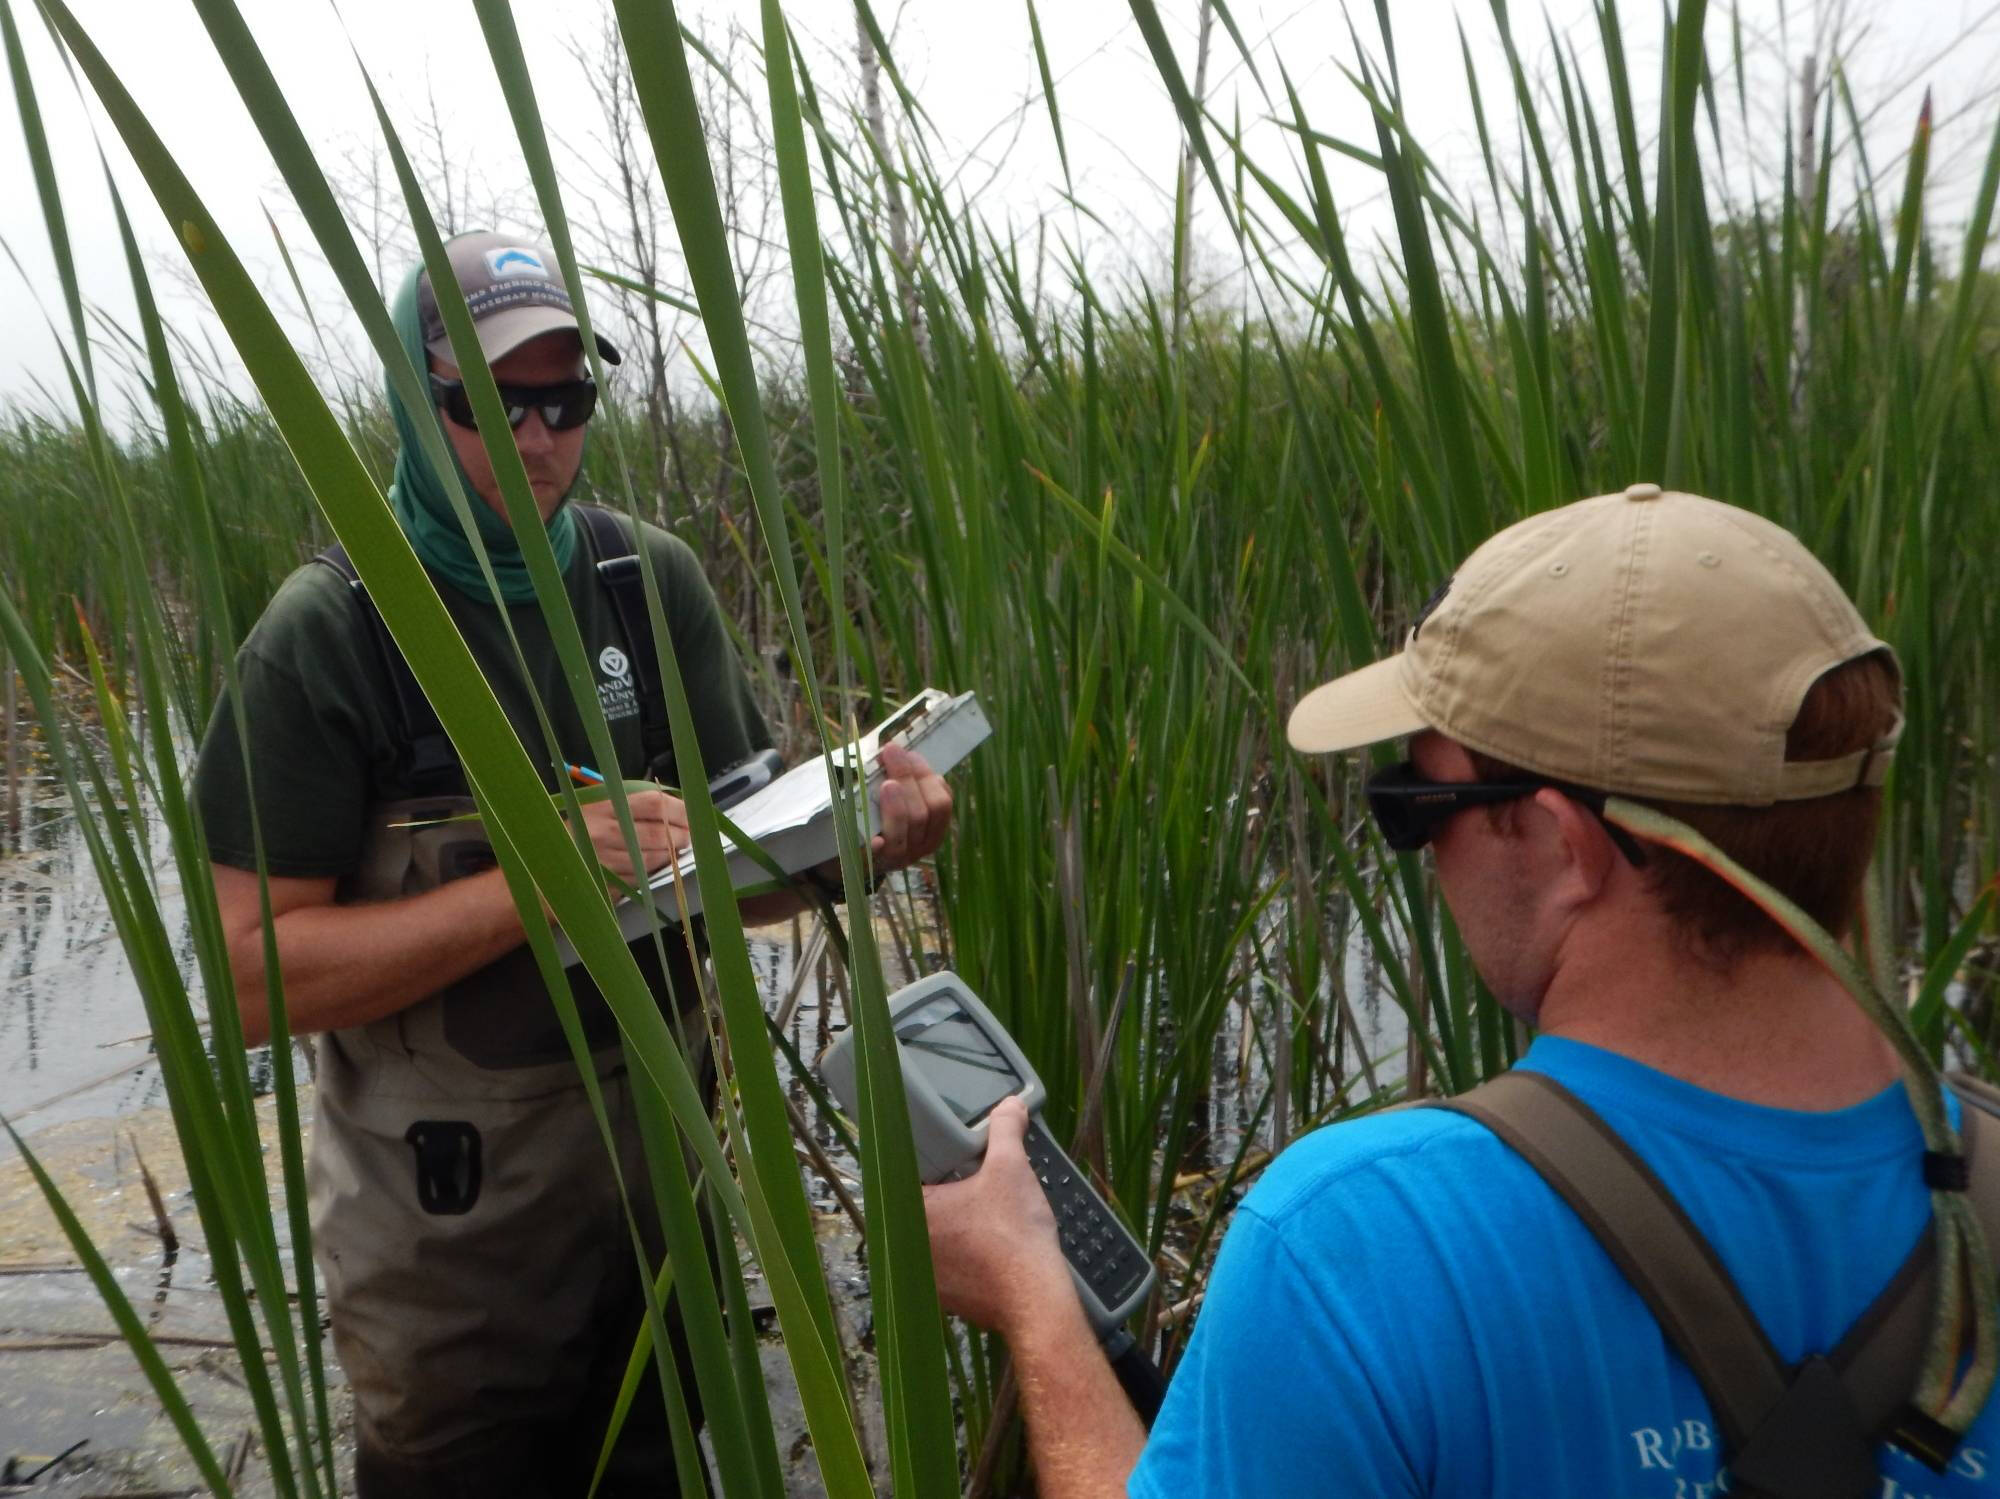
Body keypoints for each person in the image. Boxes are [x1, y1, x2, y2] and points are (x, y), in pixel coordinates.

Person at [923, 484, 1999, 1497]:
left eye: (1413, 805)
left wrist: (1035, 1303)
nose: (1420, 853)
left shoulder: (1361, 1240)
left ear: (1552, 839)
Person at [192, 230, 953, 1497]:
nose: (537, 439)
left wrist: (858, 840)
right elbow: (250, 979)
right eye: (489, 403)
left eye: (564, 399)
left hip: (660, 1237)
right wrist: (537, 882)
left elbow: (736, 861)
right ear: (411, 400)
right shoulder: (330, 633)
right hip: (451, 1272)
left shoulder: (644, 581)